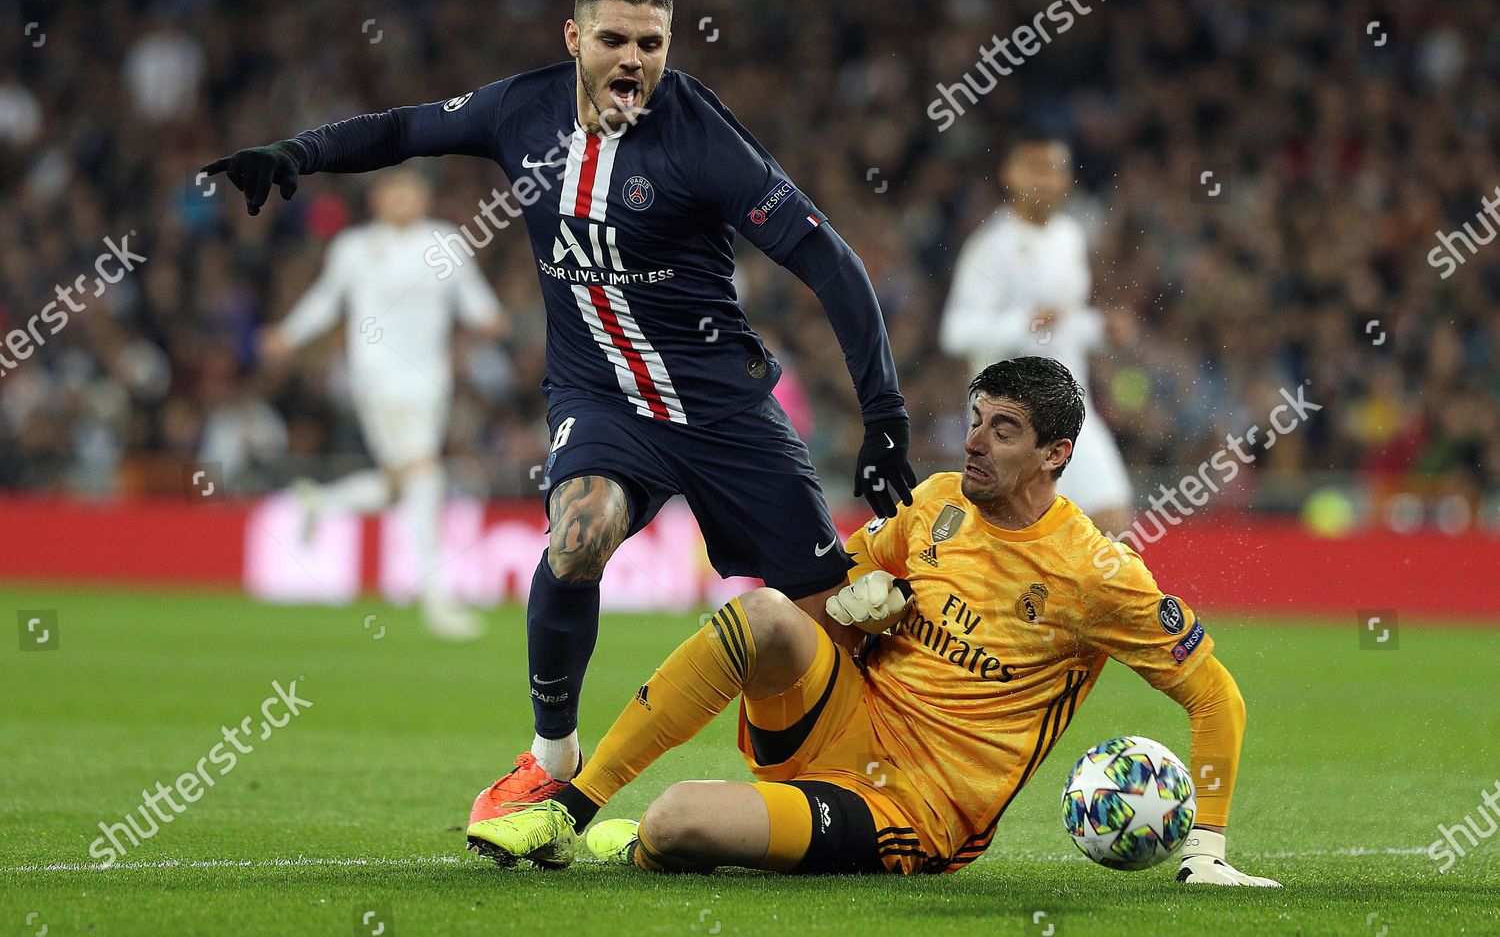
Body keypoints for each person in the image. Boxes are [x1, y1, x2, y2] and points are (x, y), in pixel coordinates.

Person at [201, 0, 917, 839]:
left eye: (651, 43)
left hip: (720, 406)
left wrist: (883, 415)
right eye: (614, 39)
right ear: (575, 39)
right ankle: (553, 758)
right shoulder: (520, 109)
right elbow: (405, 129)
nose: (633, 59)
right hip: (599, 398)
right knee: (578, 536)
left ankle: (839, 785)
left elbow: (829, 263)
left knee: (822, 618)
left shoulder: (702, 139)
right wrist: (296, 153)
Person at [467, 357, 1279, 887]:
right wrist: (860, 609)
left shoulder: (1098, 574)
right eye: (975, 419)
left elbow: (1216, 698)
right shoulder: (934, 505)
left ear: (1055, 453)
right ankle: (570, 804)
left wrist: (1205, 848)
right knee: (765, 612)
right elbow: (838, 595)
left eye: (1004, 429)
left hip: (917, 809)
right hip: (843, 721)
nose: (974, 442)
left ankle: (655, 840)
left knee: (681, 818)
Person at [258, 169, 506, 641]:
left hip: (432, 382)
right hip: (379, 377)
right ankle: (437, 600)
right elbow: (326, 300)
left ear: (424, 197)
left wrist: (490, 319)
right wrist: (288, 336)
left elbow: (475, 303)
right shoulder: (353, 248)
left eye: (412, 190)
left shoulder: (446, 240)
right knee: (426, 473)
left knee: (405, 483)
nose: (403, 198)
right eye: (395, 191)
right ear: (377, 199)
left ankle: (323, 501)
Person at [939, 131, 1133, 534]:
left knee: (1111, 520)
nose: (1045, 180)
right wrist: (1021, 325)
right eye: (1034, 169)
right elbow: (955, 332)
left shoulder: (1068, 236)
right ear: (1010, 174)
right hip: (1009, 417)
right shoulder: (991, 246)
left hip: (1071, 405)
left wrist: (1100, 328)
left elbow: (1063, 322)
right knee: (1011, 534)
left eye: (1055, 169)